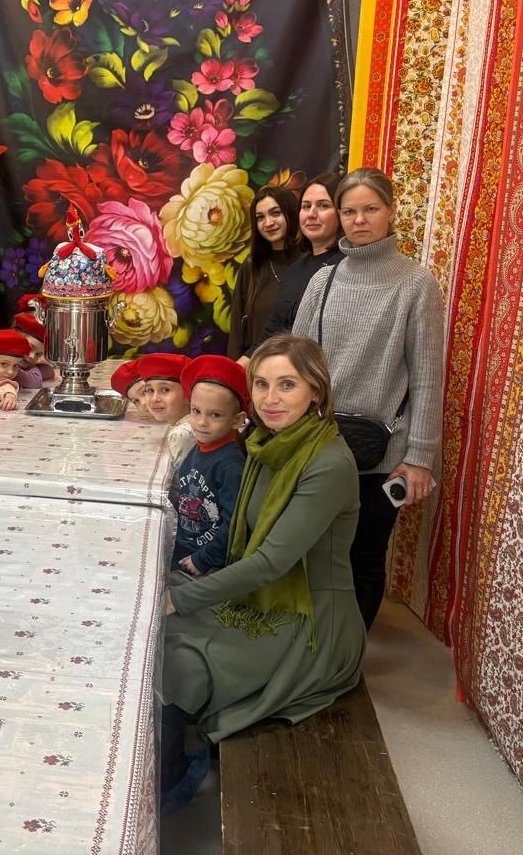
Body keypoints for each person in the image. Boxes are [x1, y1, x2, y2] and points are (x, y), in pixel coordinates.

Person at [160, 335, 363, 798]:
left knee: (181, 656)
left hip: (309, 620)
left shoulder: (328, 464)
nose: (271, 398)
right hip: (262, 595)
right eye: (261, 384)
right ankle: (155, 763)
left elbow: (271, 563)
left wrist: (179, 598)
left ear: (316, 390)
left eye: (287, 385)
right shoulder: (265, 444)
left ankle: (165, 779)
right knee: (156, 634)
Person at [291, 168, 444, 628]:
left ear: (391, 211)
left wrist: (419, 458)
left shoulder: (416, 284)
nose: (359, 220)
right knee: (310, 552)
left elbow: (428, 378)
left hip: (383, 455)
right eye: (349, 211)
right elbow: (294, 367)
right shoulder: (322, 282)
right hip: (318, 446)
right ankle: (311, 647)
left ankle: (349, 656)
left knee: (364, 558)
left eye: (370, 209)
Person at [240, 173, 344, 366]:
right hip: (294, 373)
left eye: (323, 205)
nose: (311, 214)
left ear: (342, 212)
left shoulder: (348, 266)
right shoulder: (296, 270)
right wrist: (235, 371)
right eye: (306, 206)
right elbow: (274, 331)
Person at [170, 356, 249, 575]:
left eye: (215, 415)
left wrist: (203, 559)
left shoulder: (231, 465)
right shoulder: (197, 448)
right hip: (184, 548)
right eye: (196, 411)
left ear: (237, 420)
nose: (202, 422)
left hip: (206, 563)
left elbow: (234, 522)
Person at [228, 186, 304, 360]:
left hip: (301, 365)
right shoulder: (251, 267)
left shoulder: (311, 264)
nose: (268, 223)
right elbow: (237, 333)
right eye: (260, 217)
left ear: (291, 213)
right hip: (257, 366)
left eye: (275, 213)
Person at [137, 353, 194, 463]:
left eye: (165, 390)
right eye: (150, 390)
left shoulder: (181, 434)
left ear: (188, 395)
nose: (155, 398)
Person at [0, 329, 30, 409]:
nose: (10, 372)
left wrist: (10, 396)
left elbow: (4, 386)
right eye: (4, 364)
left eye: (15, 365)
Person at [11, 311, 55, 388]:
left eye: (38, 354)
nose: (32, 356)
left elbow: (49, 371)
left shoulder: (27, 365)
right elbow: (35, 381)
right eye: (30, 348)